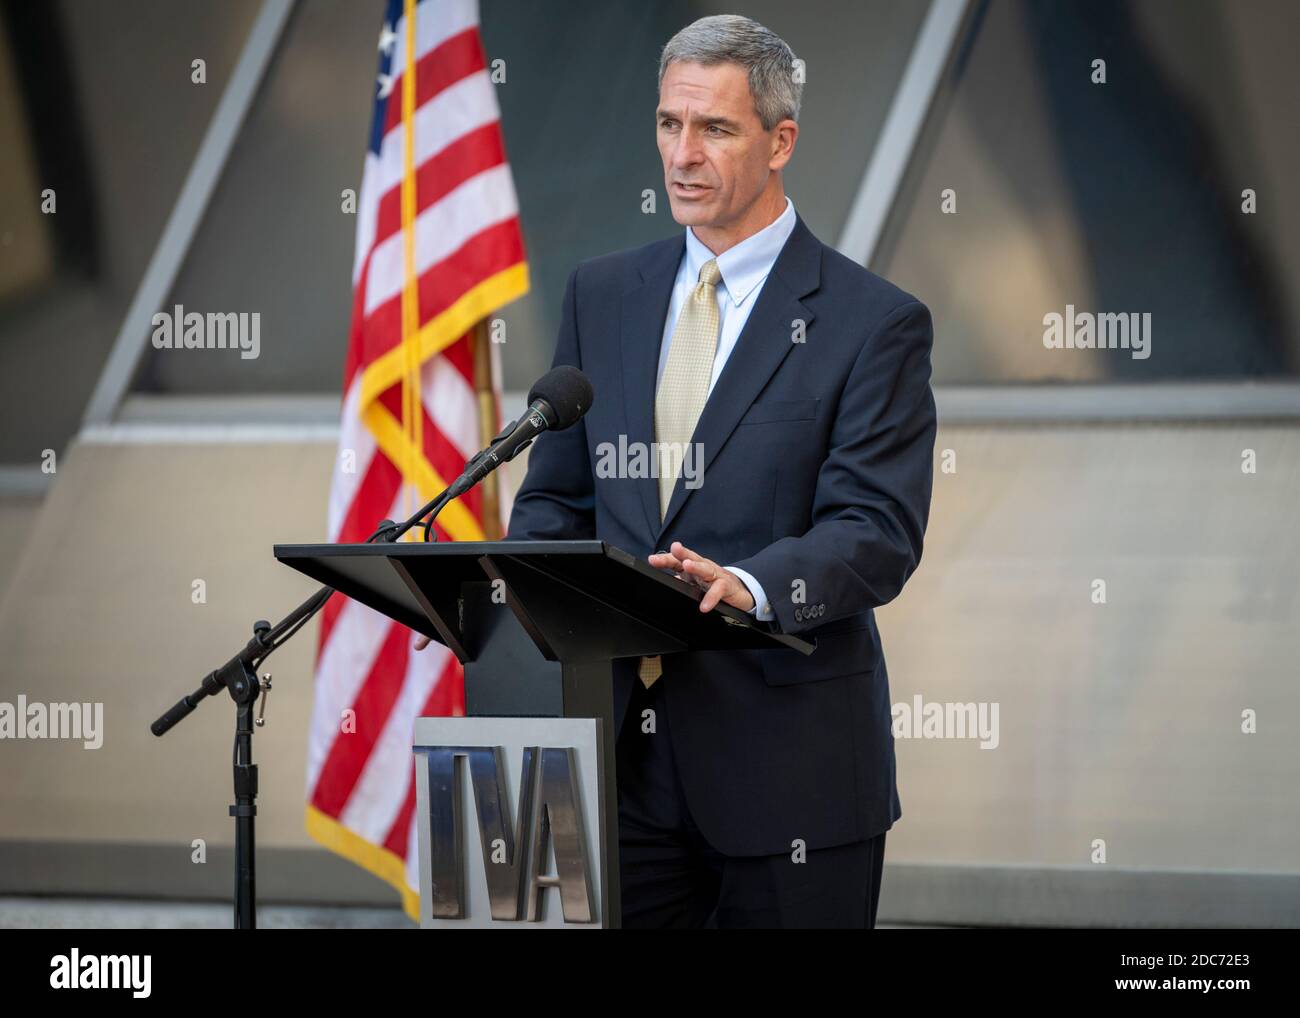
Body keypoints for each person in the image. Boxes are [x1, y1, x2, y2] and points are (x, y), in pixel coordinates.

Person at [504, 14, 934, 928]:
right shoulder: (601, 292)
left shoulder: (874, 322)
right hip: (606, 764)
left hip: (790, 778)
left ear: (781, 141)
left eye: (715, 129)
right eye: (669, 124)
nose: (683, 155)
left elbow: (877, 530)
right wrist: (512, 585)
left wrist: (746, 584)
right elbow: (555, 498)